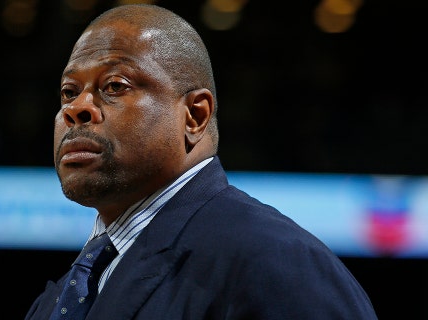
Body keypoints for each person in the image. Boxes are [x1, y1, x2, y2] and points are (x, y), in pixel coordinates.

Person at [25, 4, 378, 319]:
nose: (75, 109)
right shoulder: (67, 291)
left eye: (115, 86)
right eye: (69, 92)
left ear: (194, 116)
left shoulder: (277, 261)